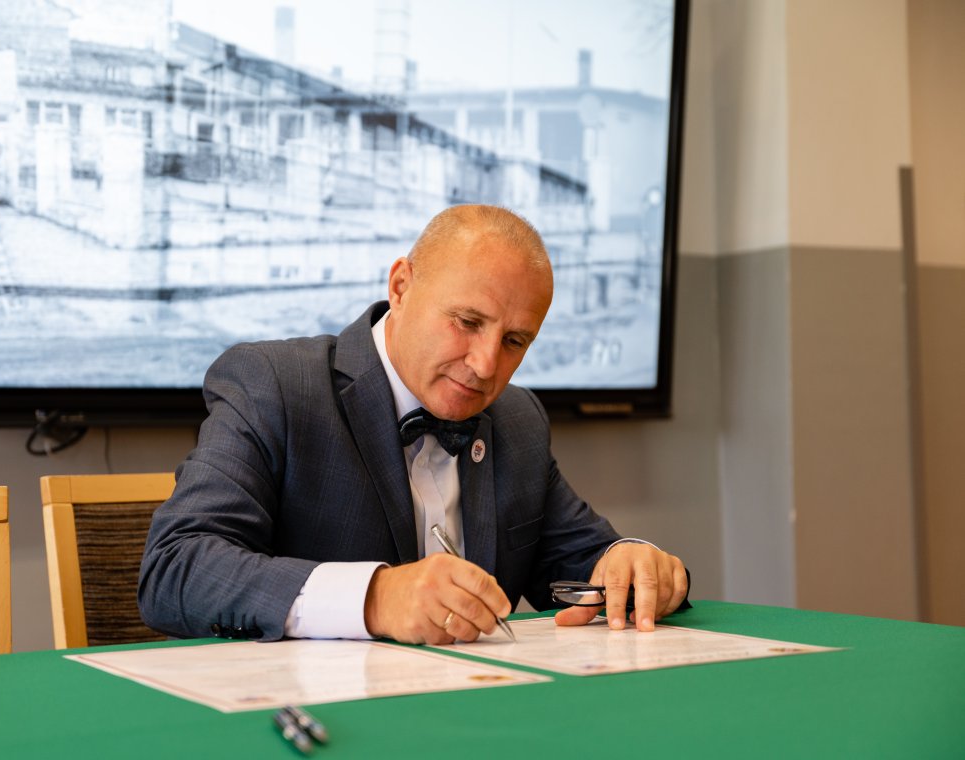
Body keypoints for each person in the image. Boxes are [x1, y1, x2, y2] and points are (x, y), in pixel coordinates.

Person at [138, 204, 688, 645]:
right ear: (400, 287)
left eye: (515, 340)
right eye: (467, 321)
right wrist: (375, 597)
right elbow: (175, 568)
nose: (486, 365)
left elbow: (587, 566)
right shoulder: (275, 385)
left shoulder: (518, 420)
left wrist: (632, 564)